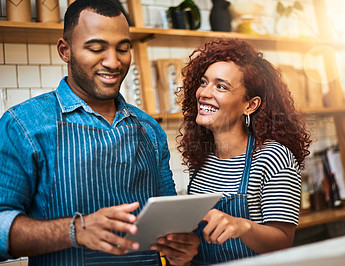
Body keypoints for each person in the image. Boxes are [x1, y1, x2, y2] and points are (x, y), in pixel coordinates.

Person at [0, 0, 199, 265]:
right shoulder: (24, 125)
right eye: (96, 48)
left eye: (123, 48)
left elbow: (169, 226)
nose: (113, 62)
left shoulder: (150, 130)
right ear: (65, 50)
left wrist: (180, 248)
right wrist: (76, 230)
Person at [177, 38, 312, 264]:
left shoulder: (273, 157)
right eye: (204, 82)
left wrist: (242, 226)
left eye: (221, 86)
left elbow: (282, 242)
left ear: (250, 105)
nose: (204, 93)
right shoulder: (203, 161)